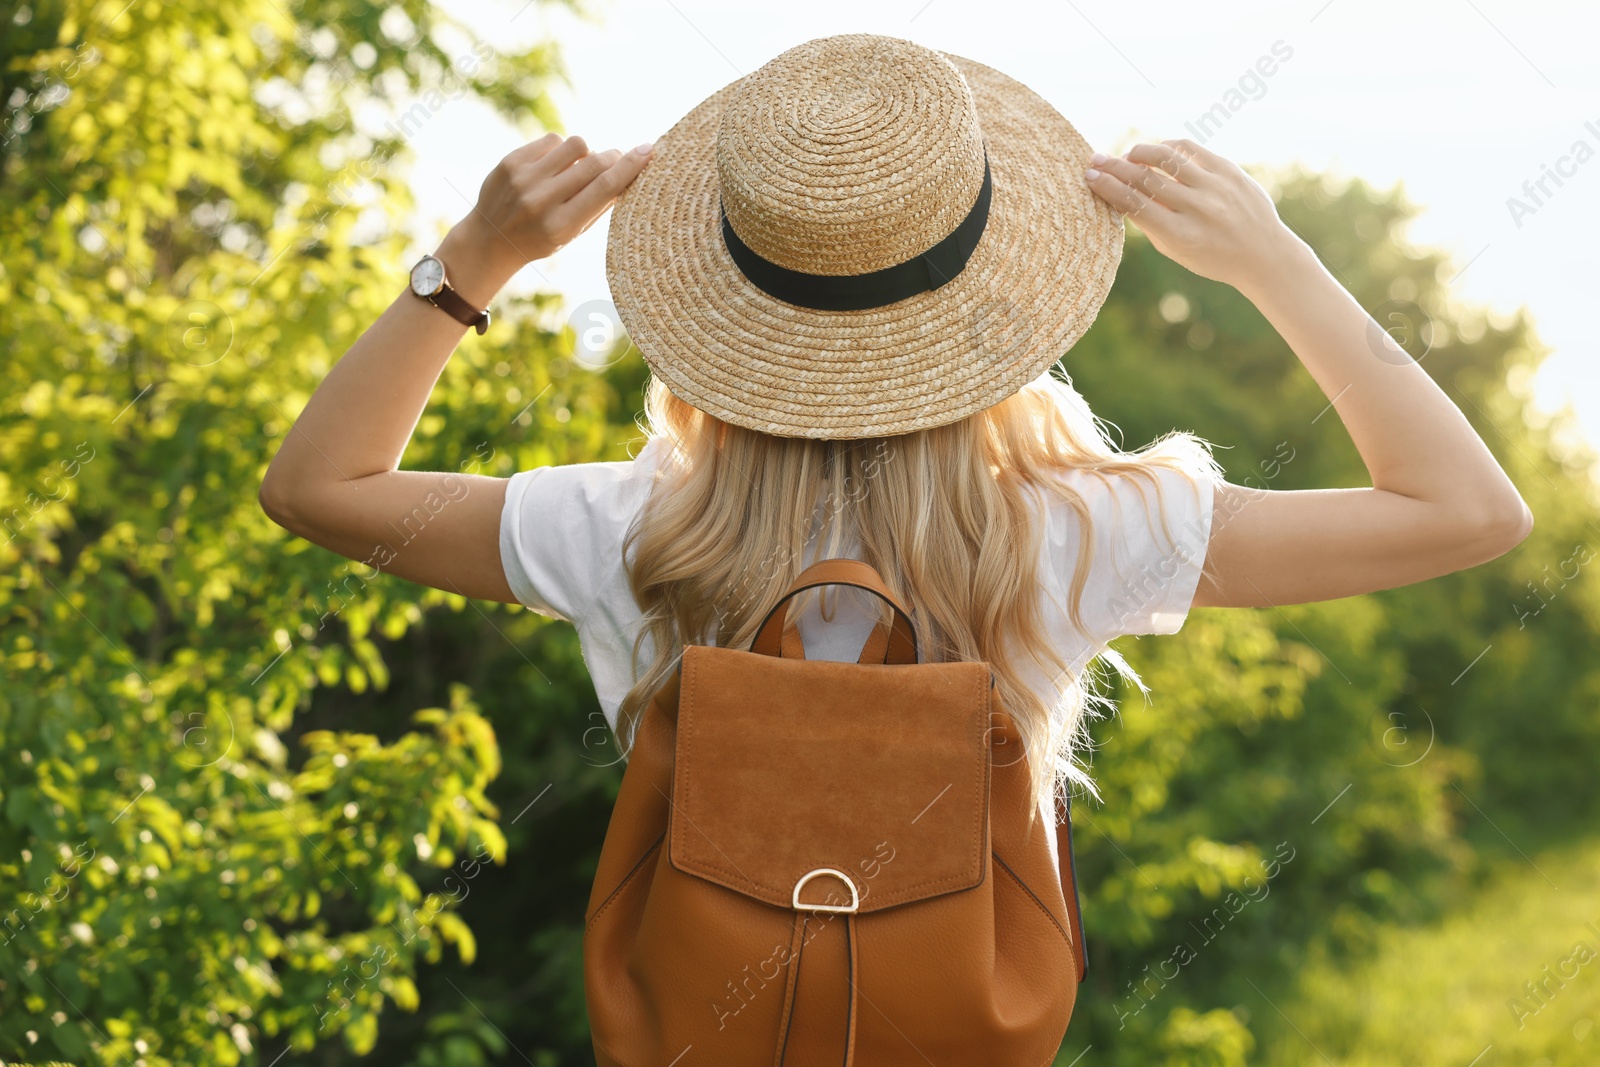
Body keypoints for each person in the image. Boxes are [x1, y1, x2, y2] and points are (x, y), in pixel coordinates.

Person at [258, 33, 1532, 871]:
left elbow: (317, 487)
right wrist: (1279, 264)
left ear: (732, 300)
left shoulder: (635, 532)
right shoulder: (1075, 532)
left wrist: (468, 265)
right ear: (992, 299)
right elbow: (1466, 512)